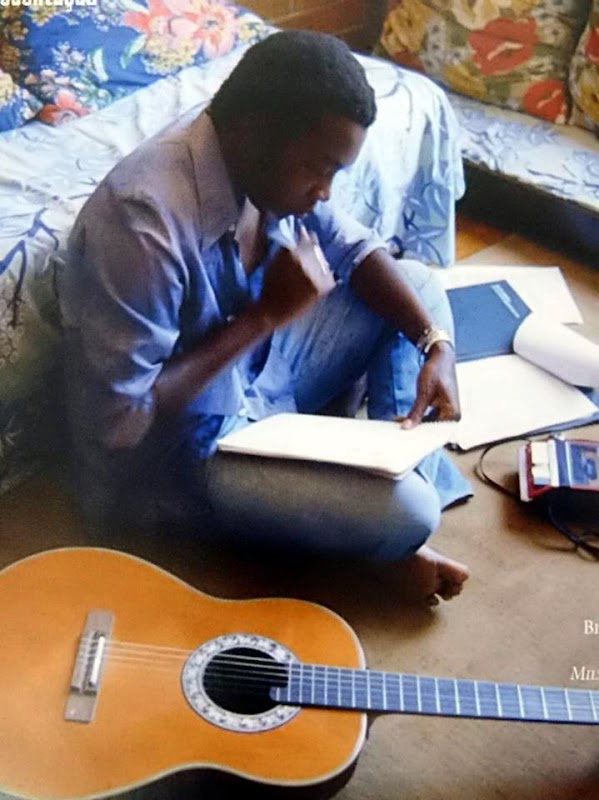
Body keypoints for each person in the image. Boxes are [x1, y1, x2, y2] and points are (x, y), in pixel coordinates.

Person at [59, 30, 472, 605]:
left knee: (418, 286)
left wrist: (435, 344)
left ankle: (375, 486)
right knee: (412, 513)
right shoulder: (143, 223)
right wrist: (263, 317)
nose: (325, 192)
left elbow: (353, 247)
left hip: (264, 371)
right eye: (319, 170)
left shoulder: (258, 161)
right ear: (253, 132)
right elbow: (121, 423)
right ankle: (371, 523)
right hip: (182, 453)